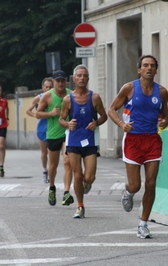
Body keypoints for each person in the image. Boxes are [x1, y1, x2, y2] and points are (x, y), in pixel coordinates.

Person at [107, 55, 168, 239]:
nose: (149, 68)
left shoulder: (162, 92)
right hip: (133, 139)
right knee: (136, 185)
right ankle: (128, 192)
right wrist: (120, 124)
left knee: (151, 183)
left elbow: (164, 118)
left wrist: (164, 122)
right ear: (139, 69)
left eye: (152, 66)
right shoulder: (129, 88)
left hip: (152, 141)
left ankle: (143, 224)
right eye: (145, 65)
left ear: (156, 70)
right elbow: (111, 109)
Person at [59, 65, 108, 218]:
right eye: (79, 75)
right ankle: (80, 206)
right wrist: (67, 124)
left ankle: (87, 185)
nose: (81, 78)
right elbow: (61, 119)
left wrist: (96, 123)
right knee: (77, 175)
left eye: (84, 75)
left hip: (90, 141)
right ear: (73, 79)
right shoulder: (68, 99)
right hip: (73, 141)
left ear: (88, 79)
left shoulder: (94, 97)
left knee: (89, 177)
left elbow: (104, 116)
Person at [36, 70, 74, 206]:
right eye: (58, 81)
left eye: (63, 80)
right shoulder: (47, 96)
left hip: (68, 133)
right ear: (53, 82)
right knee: (53, 165)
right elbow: (38, 114)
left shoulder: (71, 95)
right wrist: (51, 113)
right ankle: (52, 187)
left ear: (66, 81)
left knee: (67, 161)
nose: (60, 83)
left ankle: (66, 192)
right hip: (52, 134)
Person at [26, 77, 53, 183]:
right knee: (44, 152)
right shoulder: (39, 98)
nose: (48, 89)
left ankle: (51, 172)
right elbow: (28, 111)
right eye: (46, 87)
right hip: (42, 128)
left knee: (51, 152)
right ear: (43, 87)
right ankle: (44, 170)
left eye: (50, 87)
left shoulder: (54, 97)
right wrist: (36, 115)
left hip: (52, 127)